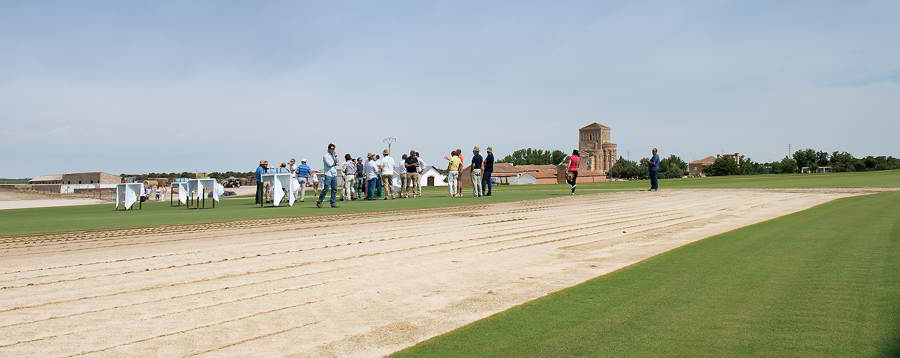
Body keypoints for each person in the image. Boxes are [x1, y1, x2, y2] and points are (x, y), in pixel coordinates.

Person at [317, 143, 340, 208]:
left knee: (334, 189)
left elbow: (337, 162)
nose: (332, 150)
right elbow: (329, 164)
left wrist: (335, 159)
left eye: (333, 149)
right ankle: (320, 201)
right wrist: (335, 163)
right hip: (328, 174)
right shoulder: (326, 156)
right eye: (331, 148)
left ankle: (333, 203)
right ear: (328, 149)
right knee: (326, 188)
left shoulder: (334, 155)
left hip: (334, 173)